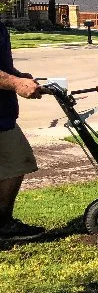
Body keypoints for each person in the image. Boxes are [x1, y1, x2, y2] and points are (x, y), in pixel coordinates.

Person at [0, 21, 45, 241]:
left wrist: (20, 76)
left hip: (3, 115)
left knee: (17, 162)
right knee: (17, 160)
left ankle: (3, 224)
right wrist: (16, 82)